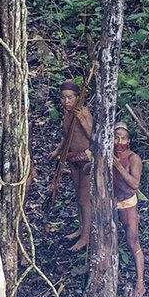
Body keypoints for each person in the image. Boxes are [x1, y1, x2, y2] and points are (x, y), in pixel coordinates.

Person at [49, 80, 93, 251]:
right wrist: (57, 151)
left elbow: (93, 135)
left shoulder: (83, 113)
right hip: (72, 159)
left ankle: (86, 237)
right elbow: (67, 136)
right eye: (63, 98)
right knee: (78, 197)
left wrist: (82, 120)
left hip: (86, 160)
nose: (66, 102)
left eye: (70, 98)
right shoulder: (67, 115)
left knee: (84, 199)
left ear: (77, 98)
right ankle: (81, 228)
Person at [113, 123, 145, 297]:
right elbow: (88, 171)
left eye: (123, 138)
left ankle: (140, 281)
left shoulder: (133, 159)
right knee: (109, 241)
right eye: (116, 137)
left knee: (132, 241)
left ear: (129, 141)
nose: (119, 142)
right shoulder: (107, 154)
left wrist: (118, 167)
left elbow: (134, 184)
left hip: (127, 204)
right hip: (109, 204)